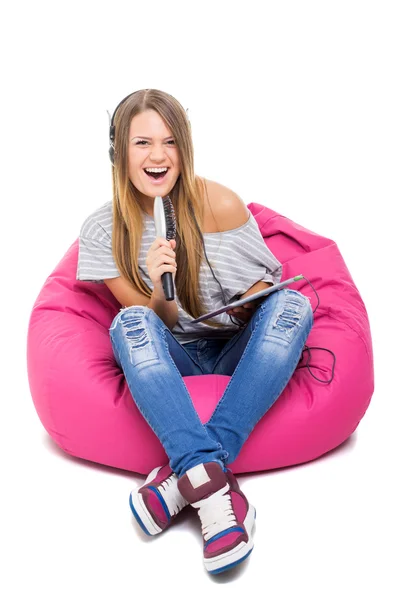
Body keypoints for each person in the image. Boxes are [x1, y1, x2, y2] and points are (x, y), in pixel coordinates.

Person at [76, 88, 314, 576]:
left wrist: (250, 305)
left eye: (169, 142)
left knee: (293, 304)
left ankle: (185, 477)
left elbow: (263, 291)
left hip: (232, 350)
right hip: (173, 357)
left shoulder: (220, 203)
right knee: (130, 321)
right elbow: (151, 322)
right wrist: (159, 282)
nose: (158, 156)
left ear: (184, 148)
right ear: (119, 151)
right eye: (142, 143)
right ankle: (217, 491)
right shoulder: (101, 230)